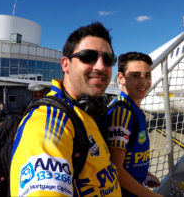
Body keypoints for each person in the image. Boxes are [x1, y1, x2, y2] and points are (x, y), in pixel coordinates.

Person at [10, 22, 121, 196]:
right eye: (88, 56)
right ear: (65, 65)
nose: (100, 66)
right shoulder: (48, 123)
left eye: (108, 59)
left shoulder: (86, 111)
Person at [105, 52, 162, 196]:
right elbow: (115, 169)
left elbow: (128, 160)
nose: (143, 82)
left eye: (147, 75)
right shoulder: (122, 113)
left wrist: (145, 175)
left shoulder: (134, 109)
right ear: (121, 78)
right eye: (136, 75)